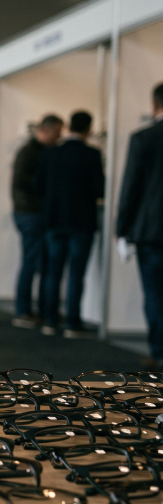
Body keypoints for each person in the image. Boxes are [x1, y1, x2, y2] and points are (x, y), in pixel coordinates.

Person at [36, 110, 104, 338]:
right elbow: (99, 188)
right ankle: (72, 323)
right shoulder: (92, 154)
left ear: (68, 127)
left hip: (54, 221)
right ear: (89, 129)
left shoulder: (50, 154)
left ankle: (50, 320)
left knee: (52, 273)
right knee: (76, 274)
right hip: (81, 223)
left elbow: (38, 185)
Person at [116, 82, 163, 368]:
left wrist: (122, 230)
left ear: (154, 104)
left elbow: (131, 187)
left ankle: (159, 352)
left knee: (155, 293)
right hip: (151, 231)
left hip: (152, 231)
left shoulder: (144, 138)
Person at [11, 114, 63, 329]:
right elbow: (21, 182)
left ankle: (38, 310)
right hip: (30, 214)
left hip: (32, 212)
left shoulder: (40, 151)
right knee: (31, 261)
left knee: (38, 262)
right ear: (47, 130)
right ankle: (23, 310)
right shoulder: (29, 152)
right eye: (57, 132)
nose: (60, 137)